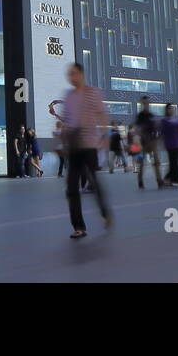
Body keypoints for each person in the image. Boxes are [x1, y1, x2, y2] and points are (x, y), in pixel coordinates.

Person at [59, 63, 111, 238]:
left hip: (90, 145)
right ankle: (79, 227)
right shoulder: (68, 96)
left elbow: (102, 115)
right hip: (74, 146)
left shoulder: (93, 93)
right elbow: (65, 120)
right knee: (72, 188)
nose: (71, 78)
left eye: (74, 74)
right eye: (69, 75)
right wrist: (62, 142)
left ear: (81, 74)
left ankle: (105, 212)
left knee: (94, 183)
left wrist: (104, 136)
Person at [133, 95, 164, 189]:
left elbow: (156, 128)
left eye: (147, 103)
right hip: (142, 142)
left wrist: (158, 136)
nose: (146, 105)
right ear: (142, 104)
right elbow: (137, 129)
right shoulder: (140, 116)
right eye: (144, 103)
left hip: (152, 141)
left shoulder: (151, 115)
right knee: (140, 163)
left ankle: (159, 180)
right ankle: (139, 180)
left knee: (156, 161)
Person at [161, 103, 178, 187]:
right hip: (170, 145)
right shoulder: (165, 120)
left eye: (172, 108)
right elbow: (165, 130)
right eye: (169, 108)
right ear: (166, 110)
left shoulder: (176, 119)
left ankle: (168, 179)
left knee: (173, 163)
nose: (171, 110)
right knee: (174, 163)